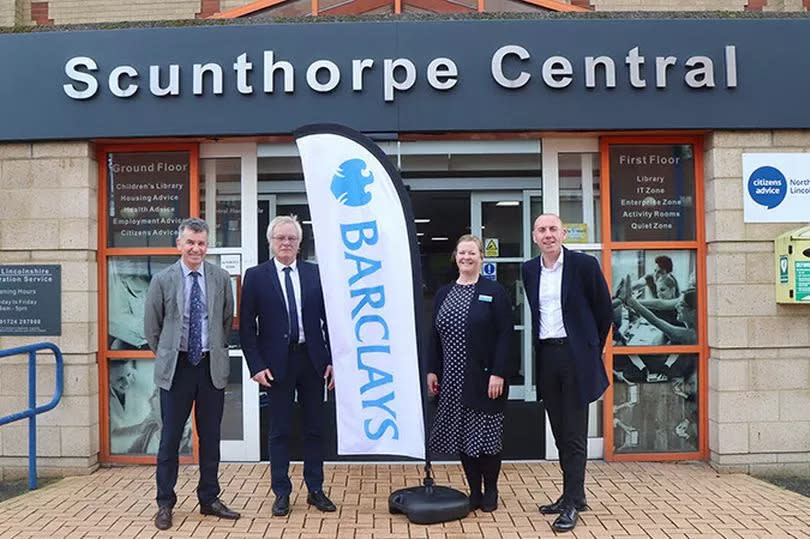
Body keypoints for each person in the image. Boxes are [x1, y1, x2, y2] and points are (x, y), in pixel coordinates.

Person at [143, 217, 239, 531]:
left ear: (206, 245)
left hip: (210, 367)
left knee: (210, 438)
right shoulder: (163, 279)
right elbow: (152, 328)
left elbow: (225, 322)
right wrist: (171, 354)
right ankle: (165, 503)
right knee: (170, 438)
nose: (195, 248)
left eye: (200, 243)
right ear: (179, 245)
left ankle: (209, 499)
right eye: (190, 243)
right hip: (178, 369)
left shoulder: (221, 277)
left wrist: (212, 349)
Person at [240, 215, 336, 517]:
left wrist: (333, 360)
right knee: (279, 430)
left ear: (299, 242)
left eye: (291, 238)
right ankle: (281, 492)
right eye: (280, 238)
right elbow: (246, 328)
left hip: (312, 361)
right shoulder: (255, 276)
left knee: (314, 429)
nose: (286, 243)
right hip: (275, 366)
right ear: (270, 242)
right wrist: (255, 365)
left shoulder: (315, 274)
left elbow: (330, 321)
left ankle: (315, 490)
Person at [522, 214, 612, 533]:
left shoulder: (583, 266)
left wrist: (591, 347)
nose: (548, 235)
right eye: (541, 230)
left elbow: (605, 311)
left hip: (576, 359)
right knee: (560, 432)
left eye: (553, 229)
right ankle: (572, 494)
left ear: (563, 233)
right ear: (534, 236)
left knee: (574, 434)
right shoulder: (529, 270)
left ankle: (573, 503)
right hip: (547, 356)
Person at [426, 234, 513, 512]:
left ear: (480, 257)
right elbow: (434, 337)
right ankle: (474, 491)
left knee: (487, 437)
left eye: (472, 253)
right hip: (452, 379)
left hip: (485, 378)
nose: (466, 257)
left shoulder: (494, 291)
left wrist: (499, 373)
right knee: (464, 436)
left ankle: (491, 490)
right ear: (456, 256)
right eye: (462, 253)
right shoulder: (444, 292)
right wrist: (432, 370)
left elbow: (505, 336)